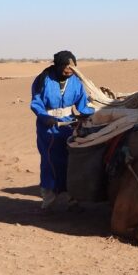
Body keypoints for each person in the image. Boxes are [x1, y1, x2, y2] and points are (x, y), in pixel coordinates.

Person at [30, 50, 94, 211]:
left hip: (69, 125)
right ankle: (48, 199)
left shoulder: (76, 81)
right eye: (66, 69)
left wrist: (89, 114)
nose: (69, 72)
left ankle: (72, 197)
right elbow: (36, 103)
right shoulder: (43, 80)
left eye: (72, 69)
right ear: (58, 66)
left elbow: (82, 103)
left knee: (72, 160)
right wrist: (45, 118)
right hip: (48, 127)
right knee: (49, 161)